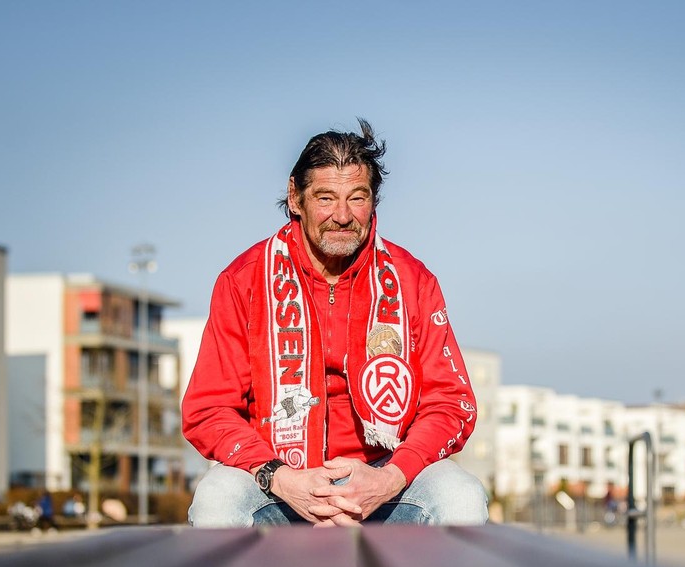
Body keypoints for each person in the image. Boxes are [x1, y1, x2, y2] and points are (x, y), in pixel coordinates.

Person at [184, 120, 487, 528]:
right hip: (279, 480)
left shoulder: (413, 280)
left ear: (373, 201)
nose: (342, 216)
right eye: (325, 197)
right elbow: (208, 409)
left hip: (385, 479)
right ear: (295, 198)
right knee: (216, 498)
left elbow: (450, 403)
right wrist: (281, 478)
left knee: (461, 496)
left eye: (357, 198)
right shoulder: (243, 280)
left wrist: (388, 478)